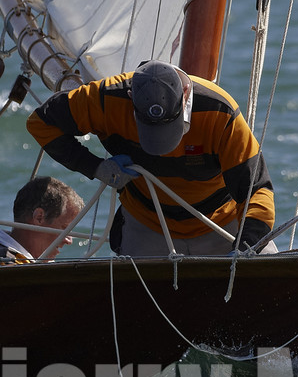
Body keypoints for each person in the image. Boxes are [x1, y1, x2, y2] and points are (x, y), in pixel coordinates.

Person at [27, 60, 276, 256]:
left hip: (220, 224)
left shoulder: (220, 113)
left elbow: (257, 191)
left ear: (186, 93)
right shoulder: (105, 99)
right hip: (147, 224)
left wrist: (245, 248)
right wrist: (95, 167)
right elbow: (41, 123)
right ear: (130, 98)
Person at [0, 177, 86, 262]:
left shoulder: (28, 264)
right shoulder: (0, 265)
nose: (69, 240)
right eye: (65, 228)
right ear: (39, 217)